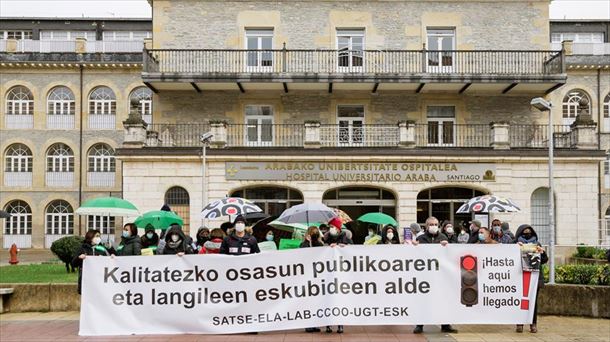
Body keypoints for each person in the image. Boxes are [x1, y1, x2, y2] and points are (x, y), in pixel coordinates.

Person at [413, 217, 457, 334]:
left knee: (443, 299)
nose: (433, 226)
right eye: (431, 224)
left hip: (440, 275)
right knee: (423, 300)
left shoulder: (443, 237)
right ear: (426, 226)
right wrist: (414, 247)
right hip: (425, 274)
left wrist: (448, 245)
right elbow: (415, 256)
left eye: (436, 224)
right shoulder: (420, 238)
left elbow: (450, 255)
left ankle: (445, 324)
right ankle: (419, 325)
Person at [514, 224, 548, 334]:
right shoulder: (516, 244)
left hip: (534, 278)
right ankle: (519, 323)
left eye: (529, 232)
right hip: (520, 277)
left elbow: (544, 260)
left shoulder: (537, 244)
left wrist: (542, 253)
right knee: (520, 301)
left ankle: (533, 324)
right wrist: (515, 247)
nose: (527, 234)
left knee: (533, 302)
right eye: (524, 232)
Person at [299, 226, 324, 333]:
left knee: (316, 301)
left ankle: (315, 323)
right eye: (312, 233)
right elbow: (302, 255)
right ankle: (308, 324)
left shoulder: (319, 244)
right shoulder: (303, 244)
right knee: (308, 301)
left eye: (315, 233)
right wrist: (307, 242)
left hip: (317, 277)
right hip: (307, 276)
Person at [71, 229, 110, 294]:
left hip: (99, 279)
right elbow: (73, 264)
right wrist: (79, 258)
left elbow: (109, 262)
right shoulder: (82, 248)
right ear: (91, 236)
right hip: (86, 279)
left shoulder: (102, 249)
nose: (99, 238)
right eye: (97, 236)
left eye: (99, 236)